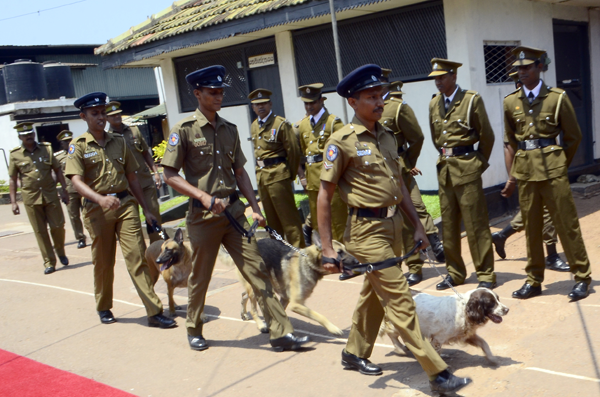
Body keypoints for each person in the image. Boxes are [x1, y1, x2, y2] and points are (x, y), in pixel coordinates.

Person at [317, 64, 471, 394]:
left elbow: (398, 184)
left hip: (393, 227)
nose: (379, 102)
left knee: (374, 294)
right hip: (365, 231)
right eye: (371, 97)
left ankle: (353, 352)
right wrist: (327, 248)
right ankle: (438, 374)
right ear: (353, 102)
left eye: (381, 95)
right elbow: (324, 195)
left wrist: (418, 226)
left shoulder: (386, 135)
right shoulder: (341, 141)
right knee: (400, 299)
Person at [161, 65, 310, 352]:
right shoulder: (184, 130)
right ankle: (194, 328)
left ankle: (280, 332)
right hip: (203, 217)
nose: (218, 97)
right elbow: (169, 174)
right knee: (201, 276)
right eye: (212, 93)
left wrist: (255, 207)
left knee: (257, 270)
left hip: (235, 213)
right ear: (197, 94)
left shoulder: (230, 129)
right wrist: (203, 197)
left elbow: (240, 172)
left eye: (221, 92)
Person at [65, 92, 175, 328]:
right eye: (95, 113)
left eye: (103, 112)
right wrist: (99, 198)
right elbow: (76, 180)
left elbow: (132, 177)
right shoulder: (79, 146)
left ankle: (154, 312)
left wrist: (146, 209)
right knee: (104, 261)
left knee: (137, 256)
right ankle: (104, 306)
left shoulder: (119, 141)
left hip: (125, 205)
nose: (101, 117)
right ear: (84, 116)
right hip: (97, 210)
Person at [502, 46, 592, 301]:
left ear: (539, 67)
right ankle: (533, 280)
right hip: (527, 172)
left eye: (527, 67)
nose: (522, 72)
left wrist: (560, 163)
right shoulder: (511, 101)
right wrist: (515, 172)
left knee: (567, 225)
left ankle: (582, 277)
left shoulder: (557, 97)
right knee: (531, 228)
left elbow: (573, 137)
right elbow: (510, 139)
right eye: (519, 68)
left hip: (553, 171)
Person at [428, 58, 496, 290]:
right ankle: (455, 273)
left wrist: (478, 164)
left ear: (453, 76)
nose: (438, 82)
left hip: (468, 169)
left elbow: (487, 136)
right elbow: (437, 139)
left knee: (476, 224)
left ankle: (485, 274)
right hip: (445, 170)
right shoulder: (434, 104)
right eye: (435, 78)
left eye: (442, 77)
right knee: (448, 225)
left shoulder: (470, 100)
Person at [492, 72, 568, 272]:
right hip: (528, 172)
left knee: (536, 211)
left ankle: (502, 235)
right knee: (546, 212)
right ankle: (551, 255)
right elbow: (509, 148)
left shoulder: (545, 102)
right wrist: (512, 178)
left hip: (548, 168)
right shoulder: (514, 107)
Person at [381, 80, 445, 286]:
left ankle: (416, 265)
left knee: (411, 213)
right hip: (376, 172)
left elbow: (417, 137)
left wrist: (407, 163)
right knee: (388, 221)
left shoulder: (397, 108)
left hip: (398, 168)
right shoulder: (366, 110)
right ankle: (393, 267)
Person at [9, 122, 69, 274]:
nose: (28, 137)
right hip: (31, 198)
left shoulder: (46, 149)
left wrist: (64, 190)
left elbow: (57, 170)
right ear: (20, 137)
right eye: (24, 135)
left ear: (34, 134)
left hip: (50, 195)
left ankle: (60, 251)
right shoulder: (15, 154)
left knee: (58, 226)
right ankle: (49, 261)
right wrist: (14, 202)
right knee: (40, 231)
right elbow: (12, 178)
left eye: (30, 134)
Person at [248, 88, 304, 248]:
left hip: (279, 175)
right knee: (272, 221)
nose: (260, 107)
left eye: (264, 103)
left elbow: (293, 152)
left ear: (270, 104)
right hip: (262, 177)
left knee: (289, 219)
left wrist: (289, 175)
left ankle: (298, 253)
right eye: (257, 104)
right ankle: (278, 252)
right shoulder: (254, 126)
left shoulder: (280, 124)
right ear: (253, 107)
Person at [106, 101, 163, 245]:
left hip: (144, 181)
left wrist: (155, 172)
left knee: (154, 212)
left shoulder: (134, 131)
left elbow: (145, 153)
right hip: (127, 188)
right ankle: (142, 254)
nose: (117, 117)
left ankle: (156, 247)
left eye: (118, 114)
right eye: (113, 116)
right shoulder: (108, 139)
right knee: (134, 221)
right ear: (107, 119)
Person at [295, 83, 346, 242]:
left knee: (337, 222)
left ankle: (341, 260)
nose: (309, 106)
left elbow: (344, 152)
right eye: (306, 103)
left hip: (331, 180)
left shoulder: (333, 122)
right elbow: (302, 154)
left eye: (313, 102)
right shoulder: (302, 125)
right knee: (318, 223)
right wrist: (303, 178)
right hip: (312, 182)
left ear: (321, 101)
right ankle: (324, 259)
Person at [54, 130, 86, 249]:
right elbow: (57, 174)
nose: (68, 143)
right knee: (74, 216)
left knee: (88, 213)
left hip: (84, 188)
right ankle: (80, 238)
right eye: (65, 141)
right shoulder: (58, 157)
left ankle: (96, 234)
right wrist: (61, 191)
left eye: (70, 140)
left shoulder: (80, 152)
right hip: (69, 190)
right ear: (61, 144)